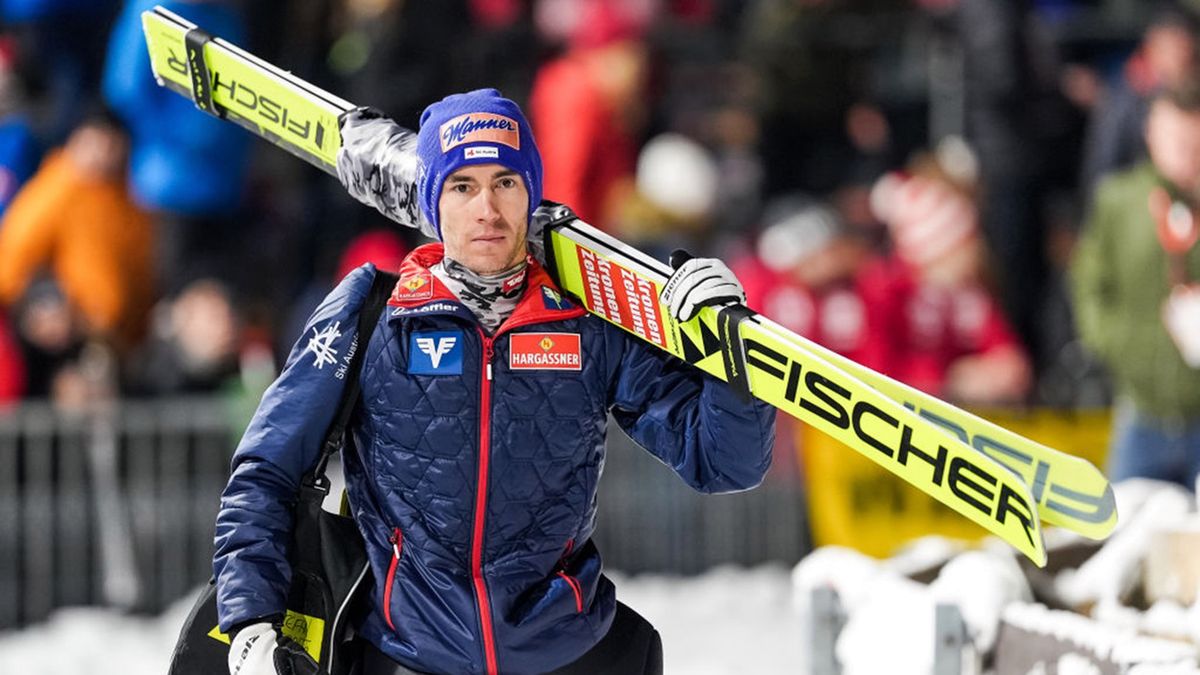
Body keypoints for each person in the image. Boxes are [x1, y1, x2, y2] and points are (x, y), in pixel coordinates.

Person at [215, 89, 775, 675]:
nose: (488, 208)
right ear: (433, 200)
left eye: (506, 182)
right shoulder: (373, 312)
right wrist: (251, 621)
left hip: (567, 651)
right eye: (463, 186)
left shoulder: (588, 323)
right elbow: (266, 470)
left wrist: (727, 353)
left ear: (530, 192)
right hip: (403, 653)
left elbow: (724, 463)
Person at [1071, 79, 1200, 489]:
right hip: (1140, 408)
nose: (1185, 149)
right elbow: (1088, 286)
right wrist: (1118, 344)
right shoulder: (1119, 199)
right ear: (1151, 133)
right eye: (1175, 136)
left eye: (1193, 136)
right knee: (1125, 534)